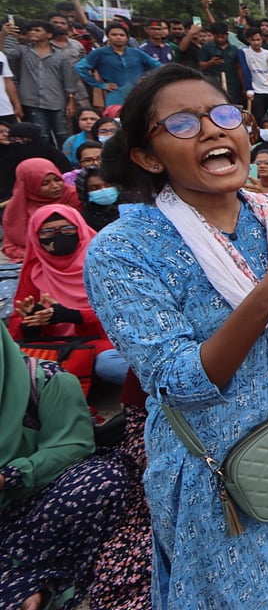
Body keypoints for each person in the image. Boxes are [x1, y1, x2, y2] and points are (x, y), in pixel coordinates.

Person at [83, 65, 268, 607]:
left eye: (223, 115)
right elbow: (176, 381)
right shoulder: (123, 250)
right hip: (216, 475)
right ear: (148, 157)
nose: (212, 130)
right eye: (181, 123)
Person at [0, 327, 131, 610]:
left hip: (30, 508)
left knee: (102, 480)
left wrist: (11, 475)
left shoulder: (47, 380)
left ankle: (31, 576)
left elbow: (72, 446)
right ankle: (25, 586)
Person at [9, 203, 127, 393]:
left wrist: (73, 315)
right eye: (47, 232)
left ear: (80, 229)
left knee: (108, 365)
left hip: (103, 344)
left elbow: (125, 313)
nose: (59, 236)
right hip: (59, 349)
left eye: (67, 229)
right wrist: (33, 321)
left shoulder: (102, 262)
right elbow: (17, 326)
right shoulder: (34, 271)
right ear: (35, 237)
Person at [2, 157, 81, 262]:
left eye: (57, 180)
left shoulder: (74, 197)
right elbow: (9, 246)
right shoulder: (17, 206)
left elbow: (84, 235)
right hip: (33, 260)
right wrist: (36, 255)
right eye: (45, 183)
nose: (55, 186)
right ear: (30, 185)